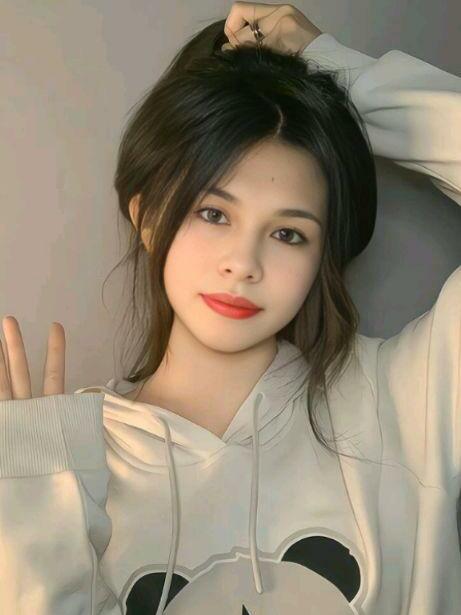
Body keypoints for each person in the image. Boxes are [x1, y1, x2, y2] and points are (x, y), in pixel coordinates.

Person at [0, 3, 460, 614]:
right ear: (148, 218)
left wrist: (336, 70)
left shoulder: (409, 399)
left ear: (322, 256)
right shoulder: (61, 462)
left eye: (289, 234)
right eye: (213, 214)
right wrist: (32, 528)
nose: (243, 263)